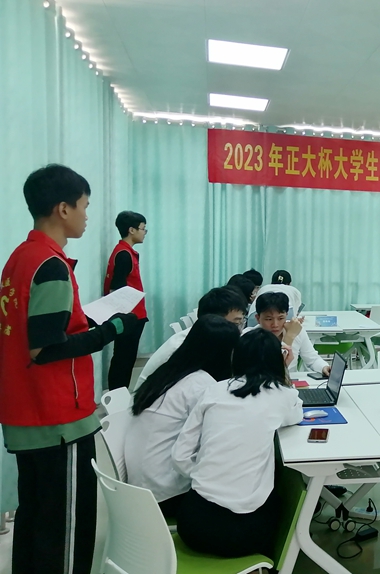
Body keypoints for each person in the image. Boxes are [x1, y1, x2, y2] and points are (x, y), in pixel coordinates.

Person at [0, 164, 138, 574]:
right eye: (84, 206)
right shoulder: (51, 265)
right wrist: (111, 330)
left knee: (35, 520)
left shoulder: (21, 259)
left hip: (27, 415)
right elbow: (45, 348)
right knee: (65, 531)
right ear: (63, 209)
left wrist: (88, 322)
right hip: (57, 418)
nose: (87, 215)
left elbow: (40, 330)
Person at [173, 328, 303, 558]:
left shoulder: (214, 390)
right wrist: (284, 372)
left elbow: (179, 456)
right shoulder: (283, 395)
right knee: (280, 484)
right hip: (242, 533)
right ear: (278, 359)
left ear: (236, 357)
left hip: (192, 524)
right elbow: (296, 416)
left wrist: (209, 474)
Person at [125, 315, 240, 517]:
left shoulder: (170, 371)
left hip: (142, 486)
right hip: (165, 495)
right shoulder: (201, 385)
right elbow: (219, 438)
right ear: (221, 353)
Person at [133, 286, 246, 391]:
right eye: (235, 324)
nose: (240, 331)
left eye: (241, 323)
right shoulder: (183, 348)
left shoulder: (204, 337)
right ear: (214, 321)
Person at [104, 210, 149, 390]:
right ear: (131, 230)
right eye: (143, 229)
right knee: (123, 359)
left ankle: (120, 394)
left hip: (133, 315)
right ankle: (117, 395)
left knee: (126, 358)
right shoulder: (123, 254)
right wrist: (124, 317)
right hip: (129, 317)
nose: (144, 233)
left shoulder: (126, 252)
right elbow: (117, 289)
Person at [253, 292, 329, 376]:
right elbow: (272, 369)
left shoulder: (296, 331)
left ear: (286, 315)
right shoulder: (249, 337)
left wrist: (324, 367)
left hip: (291, 381)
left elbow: (313, 359)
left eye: (281, 318)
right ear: (258, 318)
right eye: (269, 319)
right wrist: (290, 337)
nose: (275, 324)